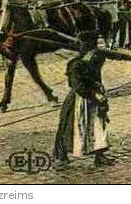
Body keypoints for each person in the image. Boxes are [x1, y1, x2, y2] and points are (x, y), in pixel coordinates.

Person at [53, 33, 114, 168]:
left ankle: (100, 156)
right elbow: (78, 87)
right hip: (78, 100)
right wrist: (94, 94)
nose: (97, 53)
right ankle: (60, 155)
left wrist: (99, 93)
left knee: (98, 126)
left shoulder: (95, 62)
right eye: (95, 49)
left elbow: (97, 79)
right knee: (69, 127)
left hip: (93, 99)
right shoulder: (76, 65)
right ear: (88, 50)